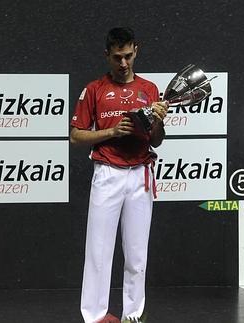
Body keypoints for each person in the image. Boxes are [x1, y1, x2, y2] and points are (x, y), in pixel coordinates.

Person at [70, 27, 168, 323]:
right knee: (98, 251)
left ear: (136, 50)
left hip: (140, 176)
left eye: (127, 56)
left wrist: (159, 122)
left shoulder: (150, 90)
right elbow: (76, 136)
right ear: (107, 56)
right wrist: (112, 131)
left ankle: (133, 314)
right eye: (117, 58)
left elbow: (157, 140)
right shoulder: (95, 89)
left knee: (137, 254)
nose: (123, 63)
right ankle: (94, 316)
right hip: (108, 174)